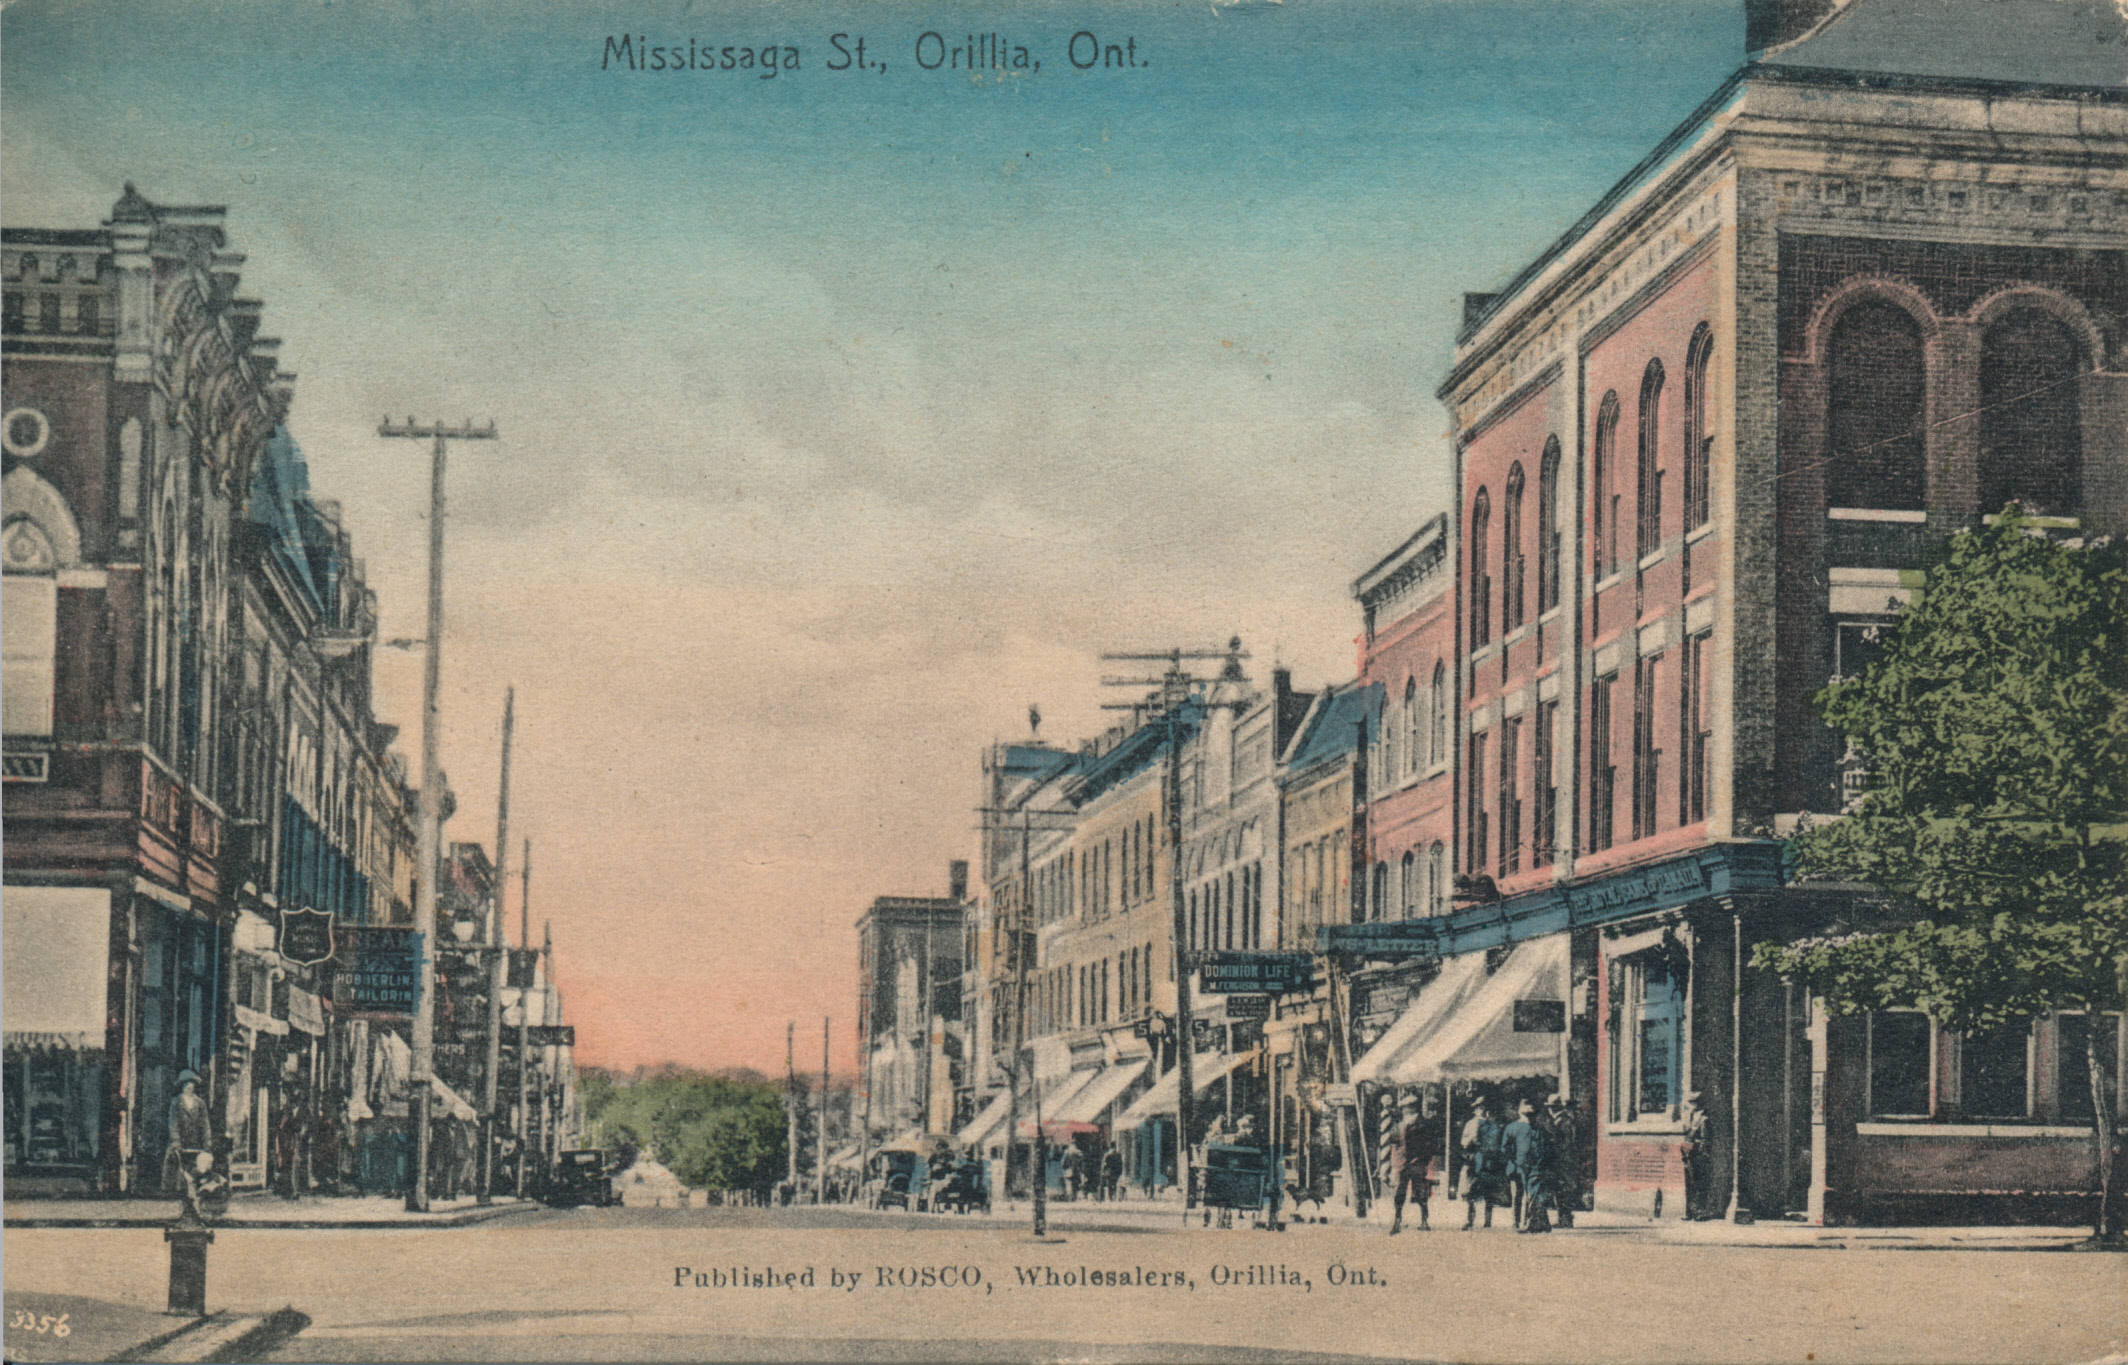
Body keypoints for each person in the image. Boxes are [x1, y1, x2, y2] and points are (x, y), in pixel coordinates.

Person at [1385, 1095, 1436, 1234]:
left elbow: (1429, 1146)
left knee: (1420, 1193)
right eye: (1405, 1109)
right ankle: (1397, 1221)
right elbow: (1394, 1146)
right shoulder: (1399, 1126)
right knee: (1400, 1193)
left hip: (1417, 1163)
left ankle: (1424, 1221)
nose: (1407, 1112)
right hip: (1403, 1164)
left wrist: (1423, 1161)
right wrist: (1395, 1165)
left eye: (1409, 1109)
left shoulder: (1423, 1125)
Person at [1459, 1098, 1508, 1230]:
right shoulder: (1470, 1124)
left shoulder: (1494, 1125)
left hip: (1488, 1161)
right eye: (1479, 1108)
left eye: (1483, 1108)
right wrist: (1471, 1140)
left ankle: (1487, 1220)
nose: (1481, 1110)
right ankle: (1470, 1219)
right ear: (1475, 1110)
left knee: (1488, 1190)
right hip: (1474, 1159)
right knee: (1471, 1190)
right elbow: (1463, 1142)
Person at [1505, 1100, 1552, 1233]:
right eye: (1526, 1114)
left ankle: (1528, 1223)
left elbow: (1544, 1148)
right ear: (1520, 1113)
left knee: (1531, 1196)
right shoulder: (1512, 1128)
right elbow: (1505, 1147)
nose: (1529, 1117)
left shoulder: (1539, 1130)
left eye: (1532, 1115)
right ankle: (1515, 1222)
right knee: (1517, 1195)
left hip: (1534, 1167)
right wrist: (1513, 1160)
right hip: (1516, 1167)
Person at [163, 1070, 211, 1197]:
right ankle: (176, 1192)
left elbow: (205, 1125)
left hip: (195, 1143)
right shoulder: (176, 1102)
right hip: (180, 1142)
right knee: (177, 1168)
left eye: (192, 1083)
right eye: (186, 1083)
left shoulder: (200, 1103)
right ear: (182, 1086)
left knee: (196, 1169)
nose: (189, 1086)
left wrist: (207, 1143)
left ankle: (193, 1193)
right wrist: (176, 1141)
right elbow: (173, 1123)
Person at [1543, 1094, 1581, 1228]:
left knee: (1563, 1189)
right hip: (1564, 1159)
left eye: (1550, 1107)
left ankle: (1566, 1220)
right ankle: (1563, 1218)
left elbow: (1565, 1143)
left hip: (1563, 1160)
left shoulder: (1562, 1121)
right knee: (1560, 1189)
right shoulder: (1564, 1120)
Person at [1680, 1091, 1713, 1219]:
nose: (1692, 1105)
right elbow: (1686, 1132)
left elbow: (1705, 1139)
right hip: (1688, 1155)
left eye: (1694, 1103)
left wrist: (1703, 1154)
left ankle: (1699, 1212)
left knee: (1699, 1184)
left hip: (1697, 1155)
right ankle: (1689, 1212)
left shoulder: (1704, 1119)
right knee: (1689, 1184)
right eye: (1691, 1103)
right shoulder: (1690, 1116)